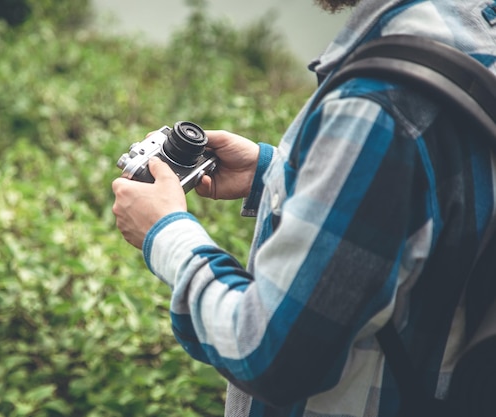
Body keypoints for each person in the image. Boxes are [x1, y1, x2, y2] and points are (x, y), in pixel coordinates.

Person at [111, 0, 496, 415]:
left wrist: (165, 233)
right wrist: (274, 173)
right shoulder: (472, 31)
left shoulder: (377, 105)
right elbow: (432, 207)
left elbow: (269, 353)